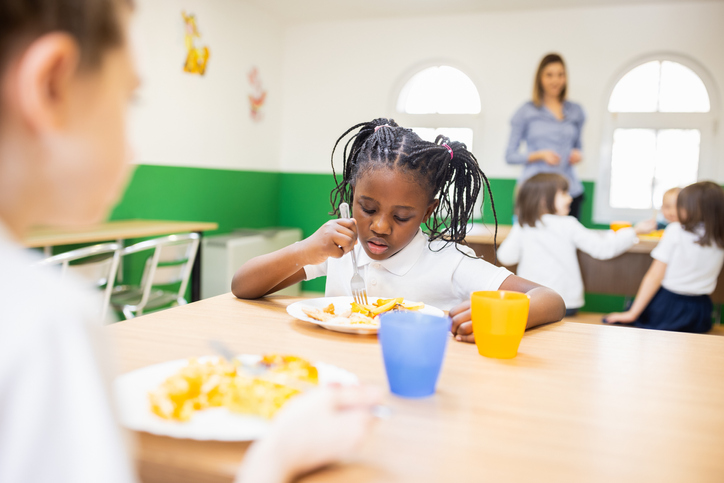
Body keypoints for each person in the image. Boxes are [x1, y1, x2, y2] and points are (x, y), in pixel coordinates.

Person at [0, 1, 380, 482]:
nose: (135, 147)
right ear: (50, 85)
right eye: (129, 98)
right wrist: (277, 456)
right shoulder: (41, 323)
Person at [232, 119, 566, 341]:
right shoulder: (339, 249)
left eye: (402, 216)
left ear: (427, 212)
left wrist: (500, 316)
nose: (379, 226)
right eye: (368, 208)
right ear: (352, 197)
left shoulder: (449, 261)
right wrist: (304, 250)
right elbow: (243, 286)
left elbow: (549, 299)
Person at [497, 174, 656, 316]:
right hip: (565, 303)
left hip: (531, 301)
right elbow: (602, 248)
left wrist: (519, 228)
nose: (570, 198)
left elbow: (506, 257)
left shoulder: (524, 226)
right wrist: (634, 231)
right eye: (564, 193)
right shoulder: (568, 224)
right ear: (544, 200)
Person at [604, 182, 724, 333]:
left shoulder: (675, 230)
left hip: (669, 307)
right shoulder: (719, 236)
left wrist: (632, 314)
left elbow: (654, 277)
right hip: (701, 312)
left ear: (695, 208)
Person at [505, 53, 587, 220]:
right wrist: (540, 155)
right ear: (540, 78)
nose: (555, 80)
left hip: (567, 191)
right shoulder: (526, 111)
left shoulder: (576, 111)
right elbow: (510, 156)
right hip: (536, 192)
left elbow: (578, 147)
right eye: (549, 75)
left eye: (560, 74)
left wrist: (578, 155)